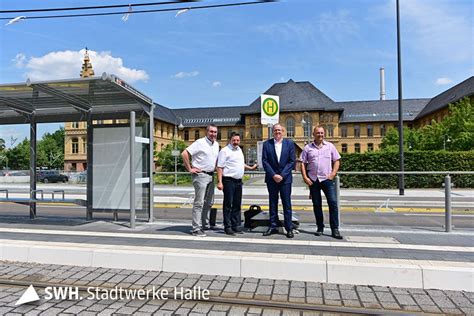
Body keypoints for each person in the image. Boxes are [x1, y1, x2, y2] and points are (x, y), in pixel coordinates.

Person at [300, 126, 343, 239]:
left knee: (333, 203)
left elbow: (337, 160)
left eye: (322, 133)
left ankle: (335, 229)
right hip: (313, 180)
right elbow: (303, 163)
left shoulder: (330, 146)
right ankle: (320, 227)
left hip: (327, 180)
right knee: (317, 205)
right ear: (313, 134)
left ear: (324, 134)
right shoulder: (307, 148)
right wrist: (305, 177)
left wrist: (333, 174)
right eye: (318, 133)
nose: (320, 135)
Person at [181, 124, 219, 237]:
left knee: (209, 202)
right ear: (207, 132)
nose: (213, 134)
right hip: (201, 175)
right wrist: (190, 168)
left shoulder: (216, 144)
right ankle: (196, 228)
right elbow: (184, 153)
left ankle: (204, 224)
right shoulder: (200, 142)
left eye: (215, 132)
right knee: (199, 203)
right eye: (211, 132)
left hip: (211, 175)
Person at [217, 132, 257, 236]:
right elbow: (220, 167)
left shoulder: (239, 150)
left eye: (238, 140)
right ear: (230, 140)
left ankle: (236, 225)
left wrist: (250, 167)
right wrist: (220, 182)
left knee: (237, 205)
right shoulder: (224, 151)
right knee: (228, 205)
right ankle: (228, 226)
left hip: (238, 181)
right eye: (234, 140)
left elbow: (240, 163)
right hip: (228, 180)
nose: (236, 142)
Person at [261, 123, 296, 238]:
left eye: (279, 130)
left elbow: (292, 161)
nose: (277, 132)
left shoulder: (289, 143)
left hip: (285, 179)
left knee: (287, 204)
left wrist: (281, 175)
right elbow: (264, 161)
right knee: (273, 203)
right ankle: (273, 226)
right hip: (272, 179)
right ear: (273, 132)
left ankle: (289, 228)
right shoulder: (267, 144)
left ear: (283, 132)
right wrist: (273, 175)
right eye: (275, 130)